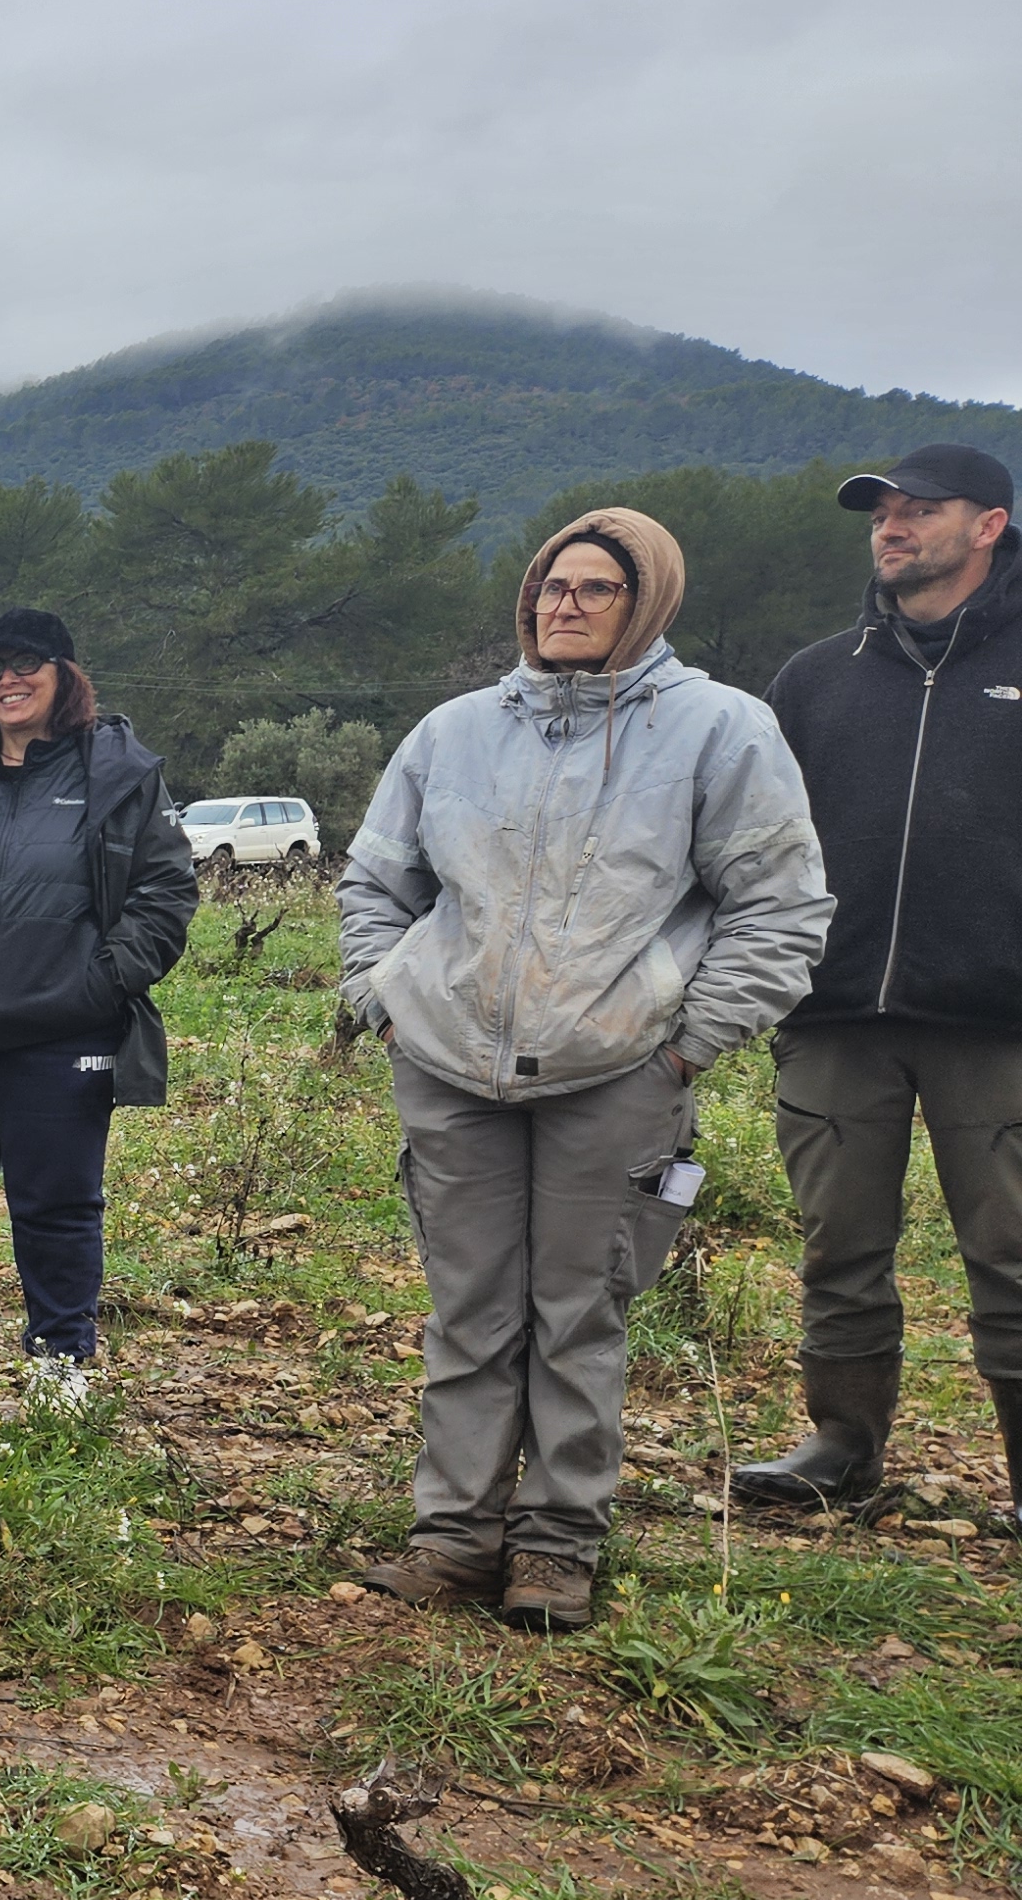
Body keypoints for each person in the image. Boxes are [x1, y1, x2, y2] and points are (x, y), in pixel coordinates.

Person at [341, 508, 831, 1632]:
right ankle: (454, 1537)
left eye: (591, 590)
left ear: (645, 600)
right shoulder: (453, 732)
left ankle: (556, 1547)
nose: (560, 605)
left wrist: (686, 1048)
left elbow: (780, 907)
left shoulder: (721, 732)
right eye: (548, 588)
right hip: (450, 1065)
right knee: (467, 1311)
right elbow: (376, 881)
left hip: (616, 1072)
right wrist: (383, 1000)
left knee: (577, 1310)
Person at [734, 444, 1022, 1525]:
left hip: (999, 1022)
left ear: (987, 524)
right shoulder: (814, 678)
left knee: (1013, 1253)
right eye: (880, 511)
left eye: (918, 509)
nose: (889, 525)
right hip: (833, 1014)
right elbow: (753, 844)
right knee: (837, 1245)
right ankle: (842, 1447)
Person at [0, 607, 197, 1402]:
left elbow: (164, 889)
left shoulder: (114, 776)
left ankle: (60, 1354)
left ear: (65, 673)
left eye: (26, 665)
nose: (7, 681)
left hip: (61, 1031)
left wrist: (102, 980)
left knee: (57, 1199)